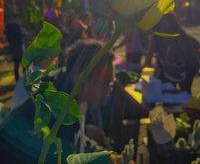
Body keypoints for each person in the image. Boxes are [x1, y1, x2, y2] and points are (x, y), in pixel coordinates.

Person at [0, 39, 134, 163]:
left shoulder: (65, 91)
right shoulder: (58, 111)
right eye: (106, 83)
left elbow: (77, 141)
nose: (109, 91)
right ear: (82, 76)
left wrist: (110, 159)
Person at [145, 12, 200, 92]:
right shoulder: (183, 36)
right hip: (188, 70)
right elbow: (197, 48)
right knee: (185, 93)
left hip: (170, 72)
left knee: (168, 94)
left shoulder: (156, 37)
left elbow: (148, 61)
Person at [4, 14, 25, 81]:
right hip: (19, 46)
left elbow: (6, 36)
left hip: (13, 47)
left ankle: (17, 79)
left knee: (16, 64)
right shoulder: (17, 26)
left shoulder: (8, 26)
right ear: (16, 18)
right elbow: (20, 35)